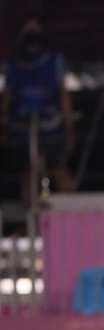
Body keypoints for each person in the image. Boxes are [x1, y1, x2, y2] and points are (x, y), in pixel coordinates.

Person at [0, 15, 76, 209]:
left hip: (51, 128)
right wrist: (4, 126)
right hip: (22, 130)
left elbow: (63, 94)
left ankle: (69, 218)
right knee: (27, 175)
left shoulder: (54, 61)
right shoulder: (13, 66)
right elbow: (7, 99)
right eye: (27, 30)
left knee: (59, 170)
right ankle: (32, 224)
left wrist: (68, 125)